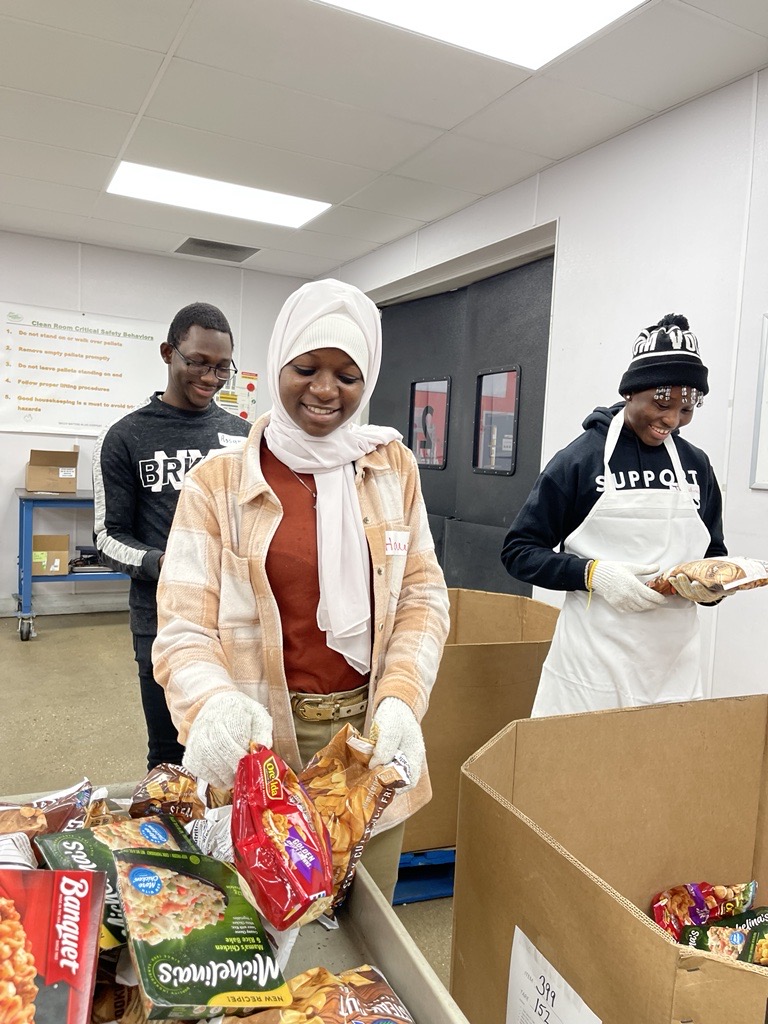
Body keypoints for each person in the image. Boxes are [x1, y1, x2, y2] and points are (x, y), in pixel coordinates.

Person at [152, 278, 450, 901]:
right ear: (276, 363)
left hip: (369, 741)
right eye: (307, 367)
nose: (324, 389)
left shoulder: (390, 467)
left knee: (365, 930)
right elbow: (183, 626)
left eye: (347, 374)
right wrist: (214, 707)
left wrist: (401, 699)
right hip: (260, 741)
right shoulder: (219, 483)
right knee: (261, 928)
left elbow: (421, 593)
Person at [501, 313, 727, 717]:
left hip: (673, 671)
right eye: (662, 403)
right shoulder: (580, 460)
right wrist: (592, 575)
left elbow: (714, 552)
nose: (672, 420)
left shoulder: (696, 466)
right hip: (592, 672)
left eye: (686, 408)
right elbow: (519, 551)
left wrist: (712, 586)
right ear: (631, 393)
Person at [93, 302, 251, 769]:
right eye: (198, 361)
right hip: (161, 623)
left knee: (237, 753)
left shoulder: (244, 437)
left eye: (222, 366)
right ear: (168, 352)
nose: (211, 376)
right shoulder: (125, 437)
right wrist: (165, 564)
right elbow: (107, 536)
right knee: (171, 756)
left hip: (236, 622)